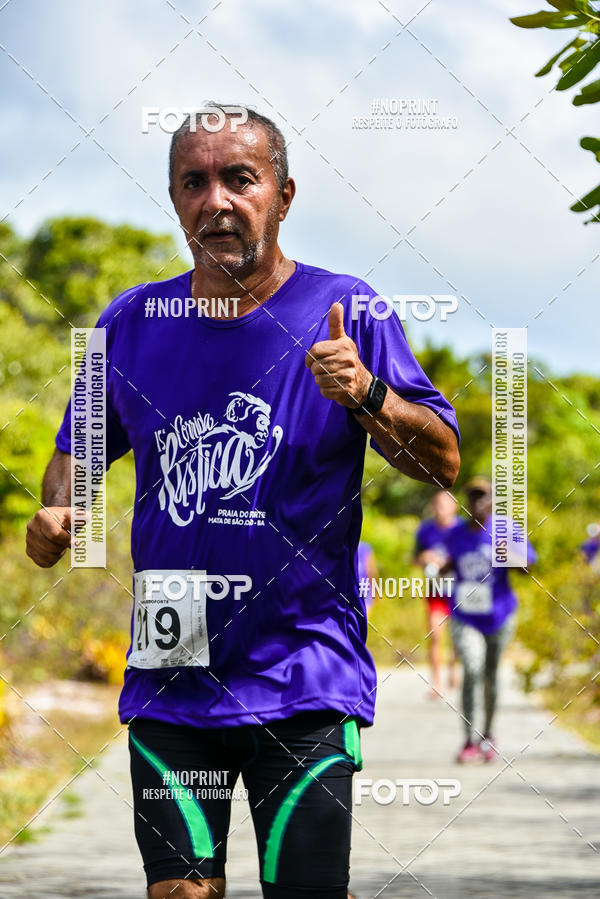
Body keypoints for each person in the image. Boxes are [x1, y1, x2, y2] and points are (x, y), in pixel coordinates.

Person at [25, 104, 460, 899]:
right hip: (173, 660)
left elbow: (443, 462)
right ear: (173, 197)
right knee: (180, 892)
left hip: (303, 667)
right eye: (194, 182)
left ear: (284, 196)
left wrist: (367, 396)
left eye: (239, 179)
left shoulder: (349, 310)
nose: (215, 200)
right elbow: (73, 460)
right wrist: (55, 516)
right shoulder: (131, 321)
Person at [444, 477, 536, 764]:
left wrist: (511, 554)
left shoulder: (506, 529)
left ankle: (488, 734)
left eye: (483, 497)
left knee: (490, 675)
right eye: (473, 497)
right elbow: (446, 566)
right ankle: (469, 739)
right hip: (465, 615)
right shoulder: (456, 533)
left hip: (500, 614)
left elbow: (528, 568)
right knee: (472, 668)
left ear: (493, 501)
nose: (478, 502)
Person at [413, 490, 459, 696]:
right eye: (438, 504)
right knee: (435, 633)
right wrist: (426, 557)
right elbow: (415, 558)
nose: (442, 509)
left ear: (455, 507)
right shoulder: (425, 530)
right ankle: (436, 682)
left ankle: (453, 668)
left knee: (458, 636)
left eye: (446, 504)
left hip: (460, 590)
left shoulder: (463, 529)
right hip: (437, 590)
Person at [356, 540, 379, 620]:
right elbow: (371, 571)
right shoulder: (365, 547)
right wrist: (376, 592)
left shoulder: (341, 545)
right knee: (362, 622)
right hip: (364, 590)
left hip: (349, 589)